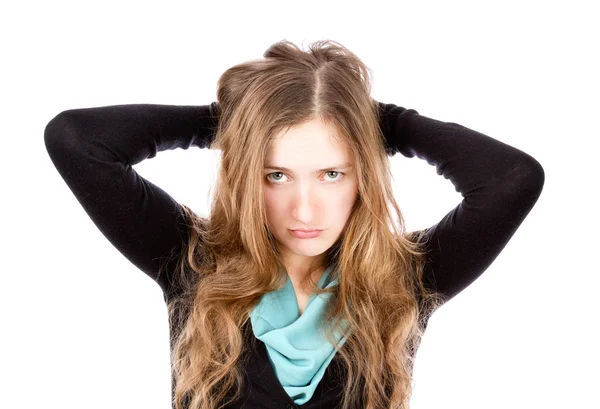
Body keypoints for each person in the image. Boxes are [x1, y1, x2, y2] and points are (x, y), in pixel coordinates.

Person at [43, 39, 545, 409]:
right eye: (276, 174)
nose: (304, 210)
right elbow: (76, 141)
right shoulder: (194, 262)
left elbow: (513, 179)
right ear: (244, 174)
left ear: (363, 175)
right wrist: (235, 122)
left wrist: (383, 124)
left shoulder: (406, 280)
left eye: (331, 173)